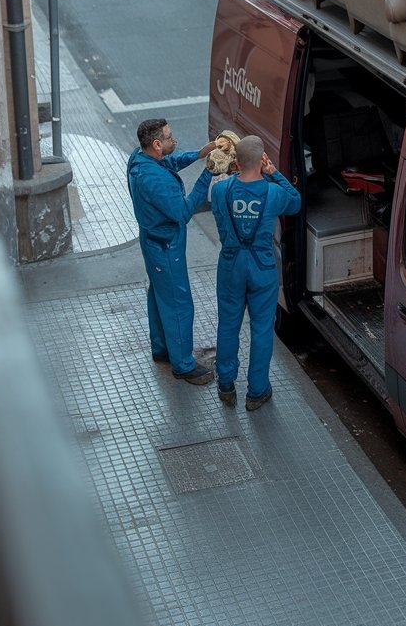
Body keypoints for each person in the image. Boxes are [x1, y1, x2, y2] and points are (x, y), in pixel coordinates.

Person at [210, 135, 302, 412]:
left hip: (230, 265)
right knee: (261, 329)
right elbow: (295, 202)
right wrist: (274, 174)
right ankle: (257, 391)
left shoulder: (220, 191)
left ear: (236, 163)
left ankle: (226, 385)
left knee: (228, 325)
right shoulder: (274, 193)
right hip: (262, 267)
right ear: (261, 162)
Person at [127, 118, 216, 385]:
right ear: (156, 144)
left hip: (151, 240)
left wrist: (200, 154)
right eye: (169, 138)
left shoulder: (140, 158)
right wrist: (208, 173)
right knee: (178, 303)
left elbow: (170, 162)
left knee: (158, 294)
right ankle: (183, 364)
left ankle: (162, 349)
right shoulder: (157, 182)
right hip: (166, 246)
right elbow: (182, 212)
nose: (173, 141)